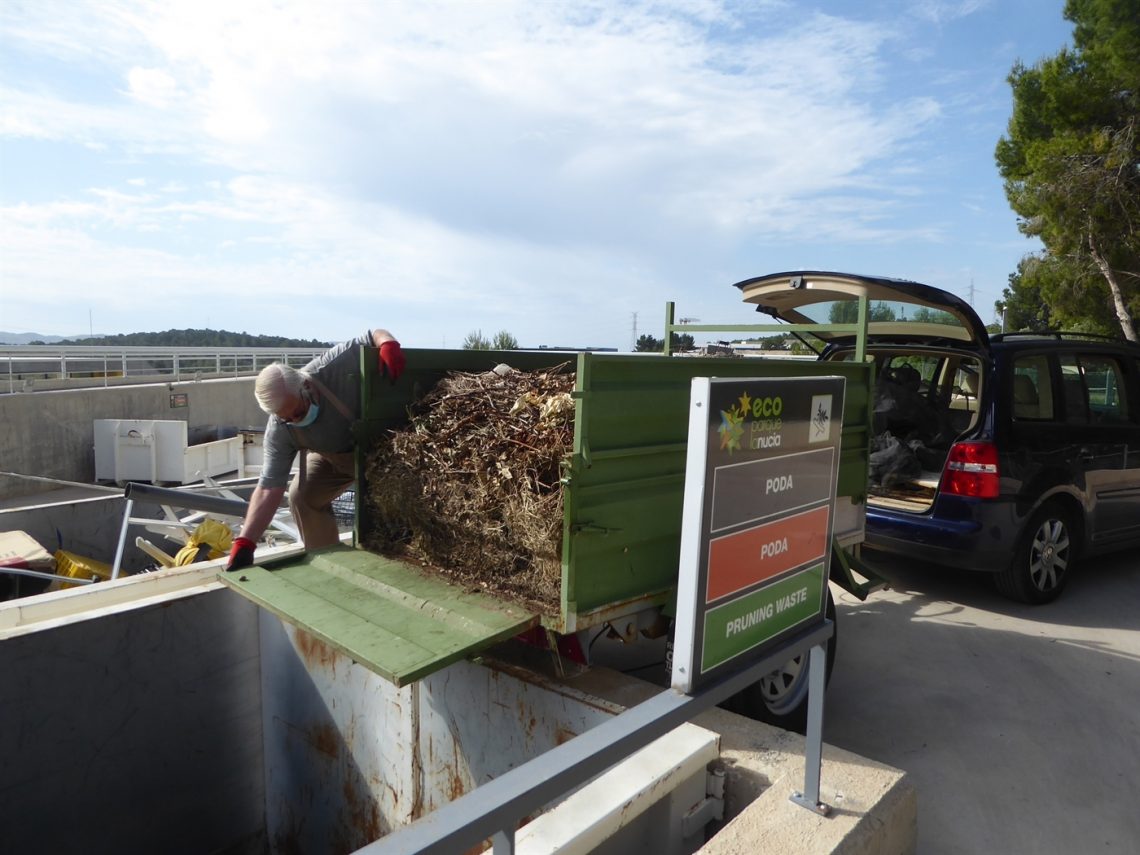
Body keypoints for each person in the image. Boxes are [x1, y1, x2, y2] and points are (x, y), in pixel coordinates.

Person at [224, 329, 405, 571]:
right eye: (287, 419)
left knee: (397, 501)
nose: (295, 420)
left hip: (384, 453)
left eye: (298, 412)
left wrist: (388, 343)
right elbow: (268, 487)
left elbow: (374, 335)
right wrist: (246, 542)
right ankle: (331, 564)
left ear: (306, 386)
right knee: (302, 496)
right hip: (337, 459)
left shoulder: (332, 367)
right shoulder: (280, 429)